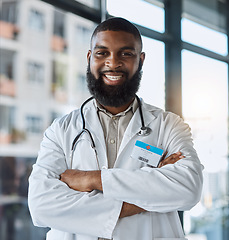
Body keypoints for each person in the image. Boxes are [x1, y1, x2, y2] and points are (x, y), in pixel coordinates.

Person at [28, 17, 203, 240]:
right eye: (102, 53)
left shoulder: (169, 125)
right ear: (90, 58)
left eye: (126, 54)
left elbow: (188, 189)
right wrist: (149, 196)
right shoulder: (60, 131)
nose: (113, 62)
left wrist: (92, 179)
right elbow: (42, 206)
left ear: (140, 60)